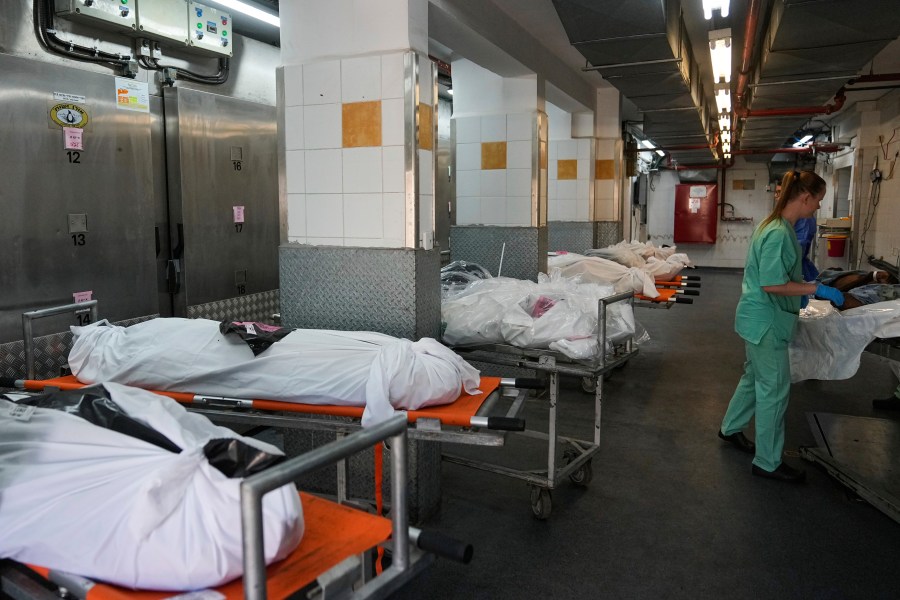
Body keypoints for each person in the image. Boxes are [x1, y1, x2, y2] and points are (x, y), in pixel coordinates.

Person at [718, 170, 845, 483]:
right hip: (767, 323)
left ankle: (730, 427)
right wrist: (813, 289)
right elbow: (773, 283)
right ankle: (768, 462)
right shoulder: (778, 232)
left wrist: (799, 293)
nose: (817, 208)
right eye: (817, 201)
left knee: (754, 378)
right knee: (773, 391)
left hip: (759, 318)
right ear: (804, 197)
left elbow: (775, 277)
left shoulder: (775, 226)